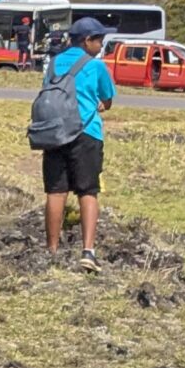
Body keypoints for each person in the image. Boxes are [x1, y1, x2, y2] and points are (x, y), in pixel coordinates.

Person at [42, 16, 116, 271]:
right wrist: (100, 105)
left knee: (55, 191)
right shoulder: (96, 66)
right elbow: (107, 99)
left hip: (54, 133)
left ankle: (51, 250)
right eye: (100, 40)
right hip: (86, 133)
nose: (101, 45)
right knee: (88, 191)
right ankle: (88, 251)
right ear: (87, 41)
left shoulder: (53, 63)